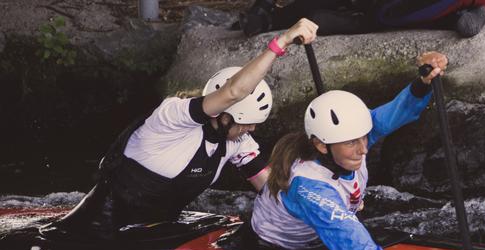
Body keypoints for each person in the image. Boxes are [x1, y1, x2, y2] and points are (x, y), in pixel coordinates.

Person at [250, 51, 485, 250]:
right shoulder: (311, 191)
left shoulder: (346, 139)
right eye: (353, 142)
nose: (364, 149)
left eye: (364, 137)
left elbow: (393, 114)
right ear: (321, 145)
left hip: (321, 226)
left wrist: (423, 83)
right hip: (282, 249)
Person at [54, 18, 318, 234]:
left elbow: (273, 189)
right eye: (245, 124)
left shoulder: (237, 142)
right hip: (95, 231)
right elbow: (234, 91)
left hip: (155, 229)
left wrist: (318, 216)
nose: (251, 131)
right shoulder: (172, 117)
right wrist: (281, 42)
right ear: (224, 114)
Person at [238, 0, 485, 38]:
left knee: (319, 17)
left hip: (379, 18)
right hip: (379, 14)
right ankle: (269, 16)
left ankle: (270, 17)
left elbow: (468, 26)